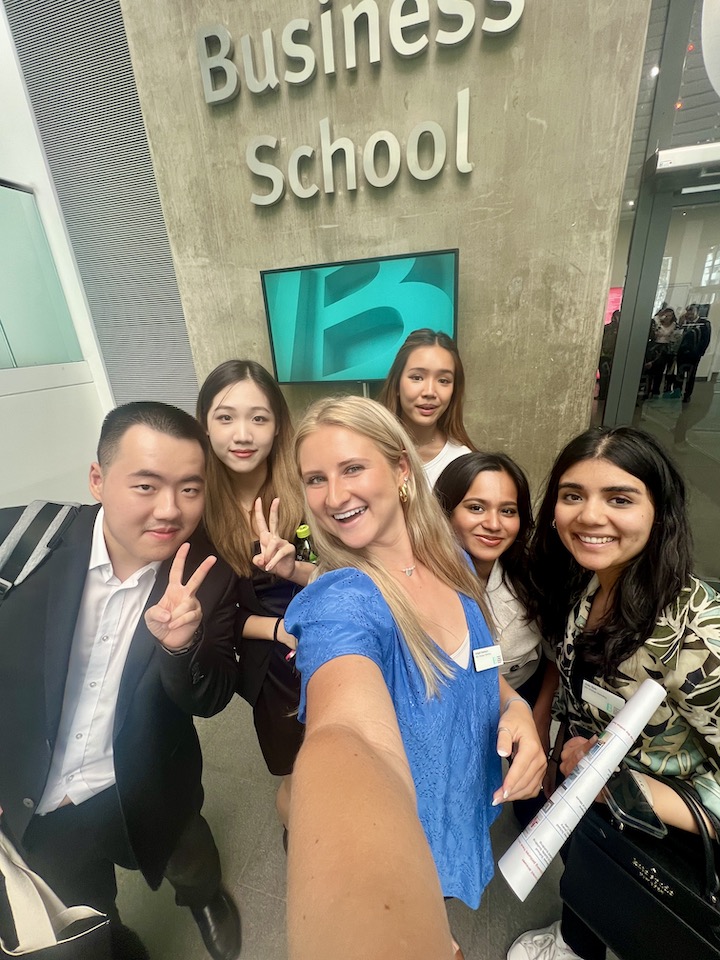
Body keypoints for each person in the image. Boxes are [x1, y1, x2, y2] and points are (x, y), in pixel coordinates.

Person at [284, 396, 546, 960]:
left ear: (402, 470)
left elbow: (473, 659)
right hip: (405, 835)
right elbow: (346, 733)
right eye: (315, 479)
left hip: (464, 791)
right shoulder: (342, 601)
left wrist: (515, 706)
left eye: (352, 468)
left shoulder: (447, 554)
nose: (333, 497)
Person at [0, 402, 241, 960]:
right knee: (81, 911)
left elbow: (211, 696)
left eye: (189, 489)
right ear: (98, 480)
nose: (169, 510)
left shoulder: (208, 575)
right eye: (146, 486)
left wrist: (180, 646)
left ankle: (206, 899)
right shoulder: (20, 538)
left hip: (148, 777)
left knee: (188, 856)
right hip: (37, 800)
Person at [507, 426, 720, 960]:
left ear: (659, 511)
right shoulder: (590, 581)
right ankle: (576, 941)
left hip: (662, 825)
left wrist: (621, 789)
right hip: (590, 789)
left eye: (619, 498)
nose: (589, 516)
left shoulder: (696, 634)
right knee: (588, 886)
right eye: (572, 495)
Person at [196, 360, 311, 829]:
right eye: (225, 417)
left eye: (258, 418)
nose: (242, 434)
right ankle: (301, 837)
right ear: (204, 422)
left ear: (278, 424)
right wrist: (277, 629)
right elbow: (209, 612)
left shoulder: (306, 486)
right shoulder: (195, 505)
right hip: (267, 657)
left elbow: (352, 576)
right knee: (298, 771)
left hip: (328, 636)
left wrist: (296, 568)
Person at [434, 452, 559, 823]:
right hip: (455, 705)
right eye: (475, 507)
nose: (493, 524)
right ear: (444, 511)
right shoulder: (423, 580)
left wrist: (539, 715)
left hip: (525, 691)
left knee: (532, 794)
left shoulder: (534, 576)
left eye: (508, 511)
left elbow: (553, 653)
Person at [378, 329, 475, 486]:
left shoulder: (460, 461)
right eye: (417, 378)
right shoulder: (367, 447)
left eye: (443, 380)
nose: (430, 392)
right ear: (396, 384)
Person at [674, 305, 712, 403]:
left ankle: (687, 394)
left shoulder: (704, 323)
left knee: (691, 375)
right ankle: (677, 392)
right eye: (688, 312)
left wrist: (699, 352)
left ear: (697, 312)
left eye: (691, 312)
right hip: (681, 353)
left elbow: (706, 339)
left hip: (694, 354)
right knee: (679, 373)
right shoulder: (684, 322)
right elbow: (677, 335)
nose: (689, 314)